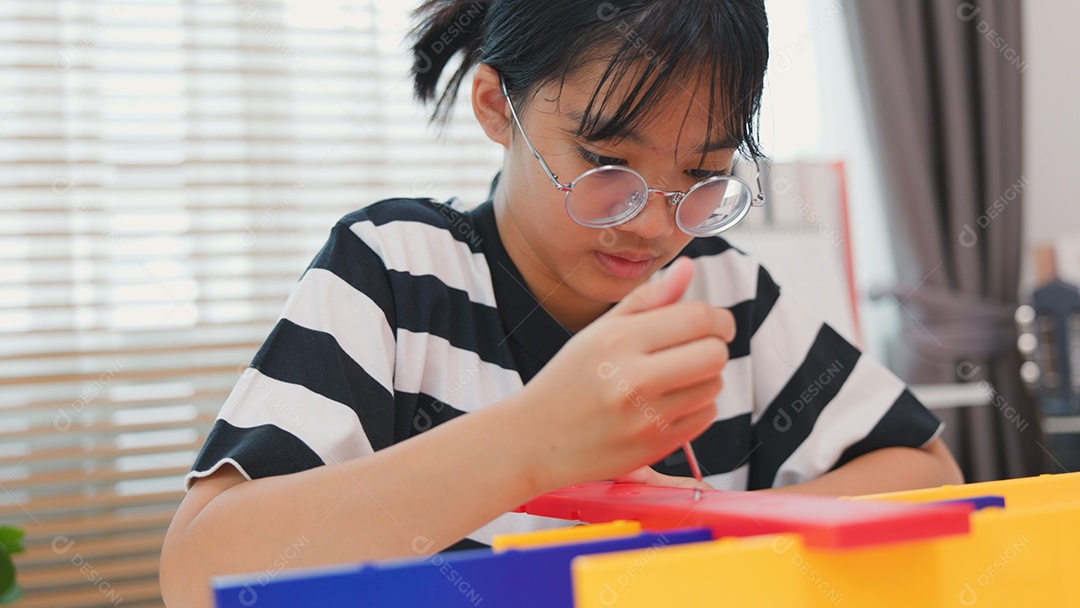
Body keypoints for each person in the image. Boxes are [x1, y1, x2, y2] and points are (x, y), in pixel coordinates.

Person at [160, 0, 963, 605]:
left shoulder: (725, 294)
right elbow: (201, 573)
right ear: (493, 108)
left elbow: (927, 473)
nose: (652, 224)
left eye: (699, 176)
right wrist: (535, 442)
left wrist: (709, 522)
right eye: (606, 160)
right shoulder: (397, 273)